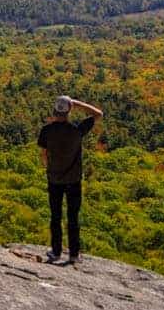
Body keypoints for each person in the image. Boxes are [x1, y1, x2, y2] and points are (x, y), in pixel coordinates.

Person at [37, 95, 103, 264]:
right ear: (69, 111)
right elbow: (98, 114)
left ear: (54, 110)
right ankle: (74, 254)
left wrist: (48, 167)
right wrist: (77, 103)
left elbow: (43, 155)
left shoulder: (47, 130)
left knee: (55, 216)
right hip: (73, 179)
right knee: (73, 216)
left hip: (54, 178)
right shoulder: (77, 130)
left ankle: (56, 251)